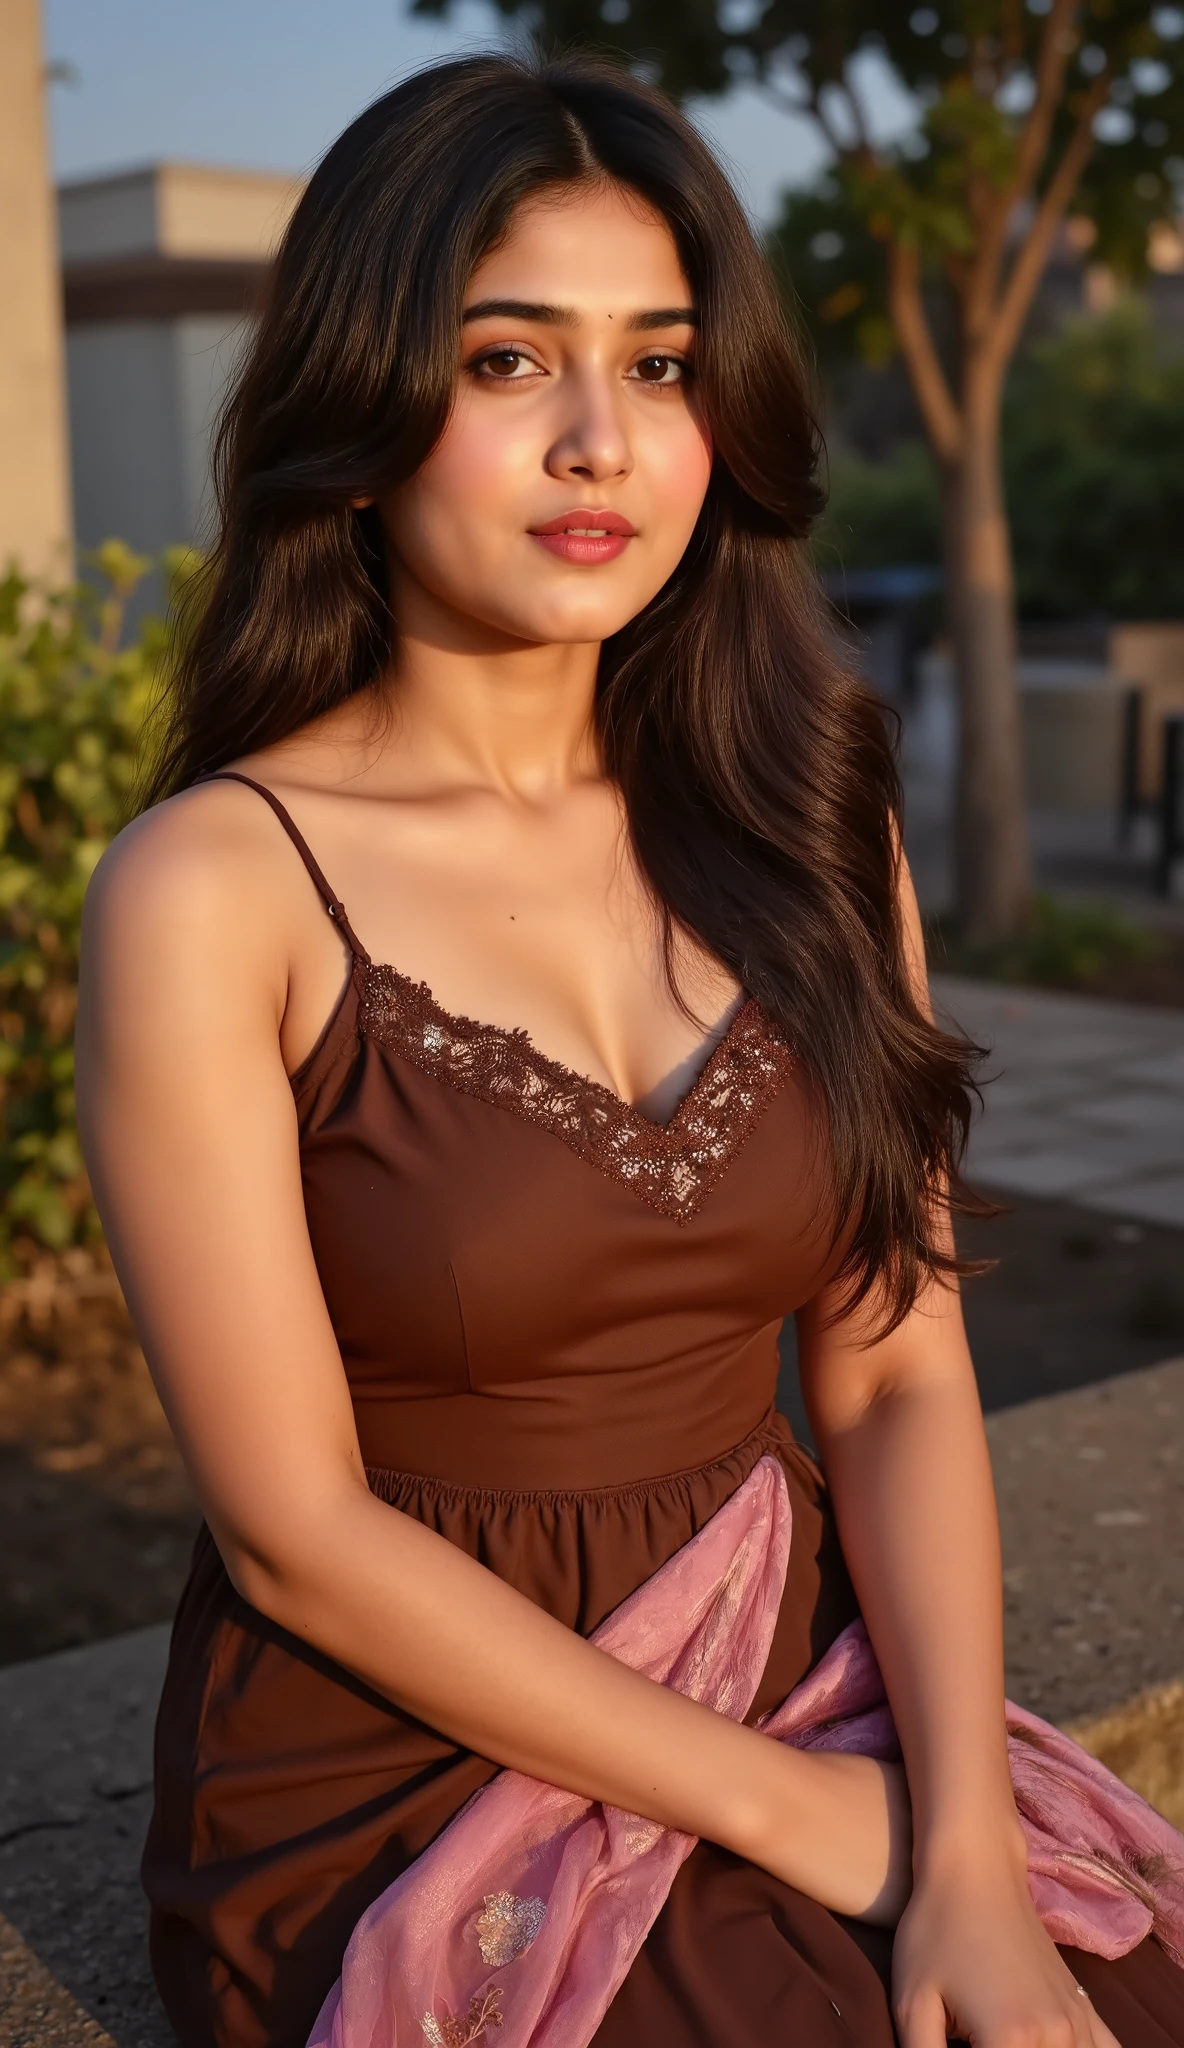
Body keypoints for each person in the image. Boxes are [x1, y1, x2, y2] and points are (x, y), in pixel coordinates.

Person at [75, 53, 1182, 2048]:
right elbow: (293, 1534)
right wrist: (802, 1818)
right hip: (398, 1767)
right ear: (361, 405)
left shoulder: (807, 808)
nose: (600, 441)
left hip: (790, 1652)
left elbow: (897, 1366)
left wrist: (958, 1846)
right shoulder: (215, 889)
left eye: (658, 365)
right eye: (509, 361)